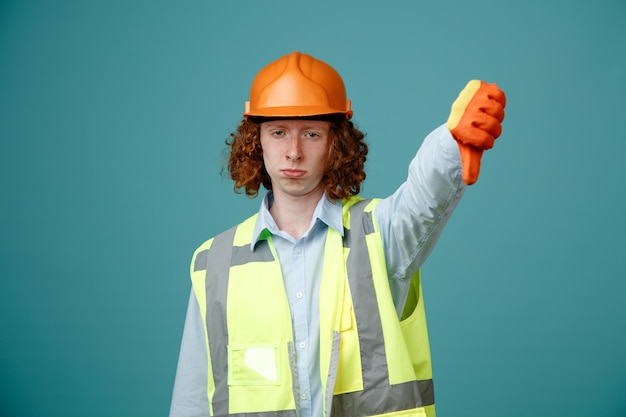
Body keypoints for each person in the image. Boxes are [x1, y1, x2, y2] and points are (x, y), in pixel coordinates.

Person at [170, 51, 506, 417]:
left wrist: (450, 142)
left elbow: (423, 197)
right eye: (278, 132)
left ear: (335, 144)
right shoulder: (213, 262)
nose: (294, 152)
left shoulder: (379, 233)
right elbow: (192, 400)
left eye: (311, 133)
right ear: (257, 141)